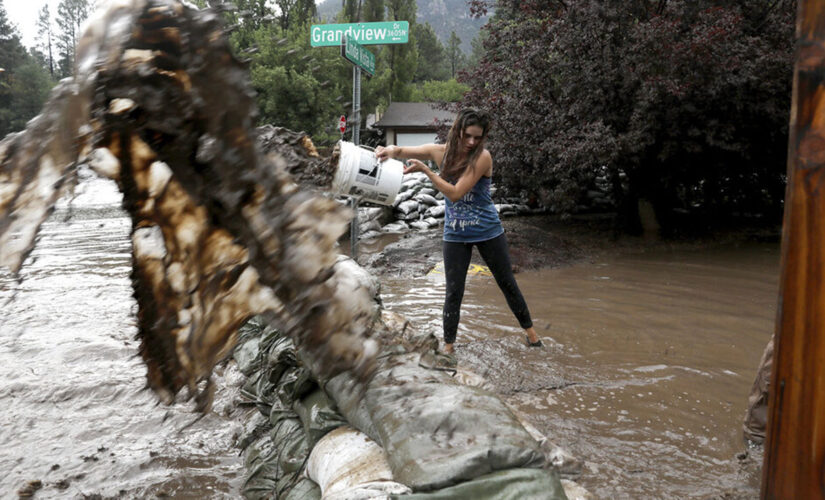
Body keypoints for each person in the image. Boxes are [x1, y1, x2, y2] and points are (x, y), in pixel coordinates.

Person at [375, 108, 541, 355]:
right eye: (468, 136)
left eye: (478, 137)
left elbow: (455, 193)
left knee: (507, 283)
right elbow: (402, 151)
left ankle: (533, 337)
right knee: (454, 291)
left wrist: (428, 172)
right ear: (458, 131)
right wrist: (388, 151)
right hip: (455, 234)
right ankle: (449, 348)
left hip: (488, 231)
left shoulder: (482, 157)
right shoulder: (439, 152)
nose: (472, 142)